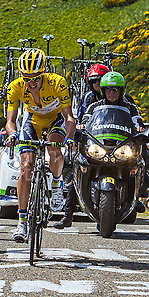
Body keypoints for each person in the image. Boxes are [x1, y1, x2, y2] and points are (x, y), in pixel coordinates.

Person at [5, 48, 75, 243]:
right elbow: (11, 120)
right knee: (26, 166)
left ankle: (56, 184)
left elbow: (69, 117)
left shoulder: (57, 82)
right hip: (32, 121)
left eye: (36, 77)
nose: (31, 82)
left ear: (43, 73)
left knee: (53, 149)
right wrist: (13, 134)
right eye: (27, 78)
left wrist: (69, 137)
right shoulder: (15, 86)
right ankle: (21, 222)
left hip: (56, 120)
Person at [53, 63, 110, 229]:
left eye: (100, 81)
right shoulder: (89, 99)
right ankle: (68, 214)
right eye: (94, 82)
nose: (97, 85)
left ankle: (140, 192)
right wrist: (77, 128)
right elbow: (79, 117)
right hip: (94, 143)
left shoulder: (123, 98)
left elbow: (133, 118)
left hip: (116, 144)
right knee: (76, 169)